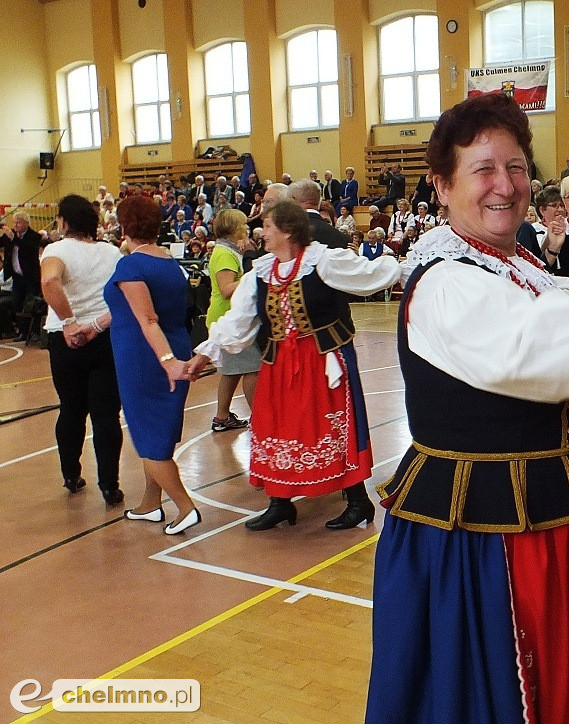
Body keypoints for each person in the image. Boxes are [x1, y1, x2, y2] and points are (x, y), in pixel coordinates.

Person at [366, 90, 569, 724]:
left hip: (546, 519)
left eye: (515, 167)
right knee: (496, 688)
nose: (504, 186)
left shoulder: (518, 266)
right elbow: (534, 352)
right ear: (442, 184)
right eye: (482, 169)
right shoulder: (447, 281)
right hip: (485, 540)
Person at [186, 200, 401, 531]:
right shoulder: (260, 271)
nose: (262, 232)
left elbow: (373, 274)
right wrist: (204, 353)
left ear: (287, 231)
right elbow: (238, 321)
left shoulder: (324, 261)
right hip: (279, 363)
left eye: (268, 226)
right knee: (276, 427)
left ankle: (358, 502)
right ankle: (280, 502)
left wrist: (419, 264)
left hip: (323, 360)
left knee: (332, 428)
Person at [103, 195, 200, 535]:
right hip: (171, 346)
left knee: (146, 433)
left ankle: (185, 507)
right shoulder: (168, 263)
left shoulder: (130, 266)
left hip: (145, 356)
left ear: (123, 226)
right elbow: (134, 309)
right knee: (158, 431)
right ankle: (150, 504)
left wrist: (168, 361)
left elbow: (147, 318)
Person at [39, 194, 124, 504]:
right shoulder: (112, 252)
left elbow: (50, 282)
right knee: (106, 415)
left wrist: (70, 322)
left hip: (66, 339)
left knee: (72, 409)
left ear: (64, 222)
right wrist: (96, 324)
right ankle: (110, 485)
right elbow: (123, 297)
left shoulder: (56, 249)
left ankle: (71, 475)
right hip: (104, 336)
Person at [208, 209, 260, 432]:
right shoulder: (223, 254)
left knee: (232, 370)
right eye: (243, 224)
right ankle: (259, 418)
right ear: (233, 228)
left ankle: (221, 417)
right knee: (252, 367)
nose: (246, 227)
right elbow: (226, 288)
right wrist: (254, 274)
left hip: (225, 318)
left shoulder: (227, 250)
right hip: (229, 319)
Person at [1, 209, 43, 342]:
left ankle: (35, 331)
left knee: (33, 304)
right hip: (17, 277)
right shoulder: (11, 234)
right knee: (17, 304)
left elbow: (27, 249)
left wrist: (13, 238)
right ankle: (23, 332)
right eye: (14, 222)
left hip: (30, 277)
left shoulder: (34, 236)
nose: (15, 225)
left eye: (18, 223)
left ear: (26, 223)